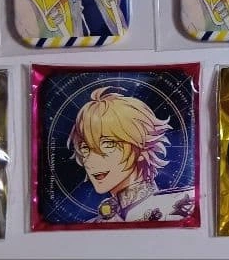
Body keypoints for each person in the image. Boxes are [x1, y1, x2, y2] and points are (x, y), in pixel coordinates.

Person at [69, 87, 194, 222]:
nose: (91, 161)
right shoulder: (95, 224)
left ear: (141, 148)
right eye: (85, 148)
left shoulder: (184, 205)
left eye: (108, 144)